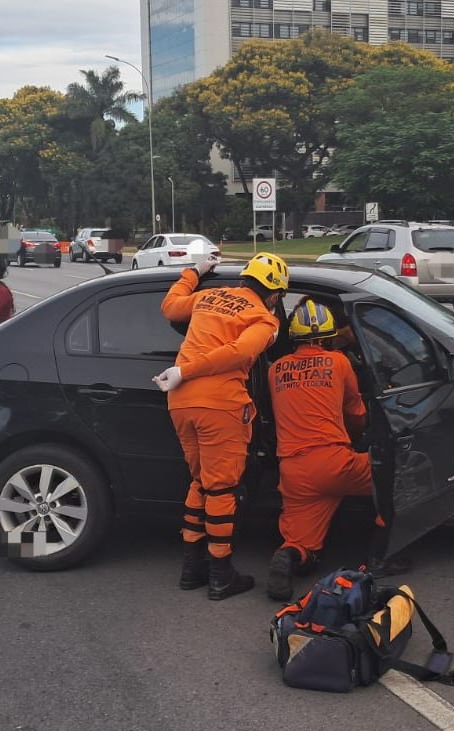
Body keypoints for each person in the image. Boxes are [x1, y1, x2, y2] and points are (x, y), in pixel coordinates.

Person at [156, 251, 288, 600]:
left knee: (200, 481)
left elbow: (170, 307)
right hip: (219, 405)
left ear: (245, 280)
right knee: (222, 489)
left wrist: (194, 272)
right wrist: (187, 370)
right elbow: (241, 354)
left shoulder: (208, 296)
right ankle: (220, 574)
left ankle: (191, 568)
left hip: (180, 401)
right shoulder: (263, 318)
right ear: (274, 294)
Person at [264, 298, 372, 601]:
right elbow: (356, 413)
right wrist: (357, 437)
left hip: (295, 471)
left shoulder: (275, 371)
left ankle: (290, 557)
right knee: (393, 474)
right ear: (327, 336)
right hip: (335, 462)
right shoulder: (339, 362)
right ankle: (383, 551)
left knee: (302, 542)